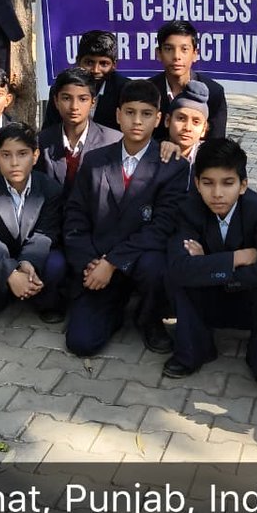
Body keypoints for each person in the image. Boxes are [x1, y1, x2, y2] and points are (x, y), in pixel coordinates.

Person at [63, 78, 189, 356]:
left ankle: (149, 317)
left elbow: (163, 226)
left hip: (138, 259)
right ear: (118, 115)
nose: (137, 121)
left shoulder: (173, 166)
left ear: (158, 119)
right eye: (130, 112)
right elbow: (75, 218)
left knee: (157, 264)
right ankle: (113, 308)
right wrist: (91, 262)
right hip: (98, 259)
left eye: (146, 114)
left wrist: (113, 262)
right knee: (81, 344)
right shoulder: (95, 160)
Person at [163, 137, 257, 388]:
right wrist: (237, 258)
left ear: (243, 185)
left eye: (228, 183)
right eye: (208, 183)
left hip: (247, 300)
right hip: (209, 299)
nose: (217, 193)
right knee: (177, 279)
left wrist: (210, 266)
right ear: (197, 183)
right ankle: (194, 350)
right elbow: (178, 268)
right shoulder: (189, 209)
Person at [0, 123, 67, 327]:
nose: (14, 163)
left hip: (35, 253)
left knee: (56, 263)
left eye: (22, 154)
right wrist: (11, 271)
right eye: (6, 155)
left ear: (35, 156)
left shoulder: (50, 189)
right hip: (3, 254)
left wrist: (27, 262)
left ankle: (44, 301)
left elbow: (45, 233)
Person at [35, 67, 121, 196]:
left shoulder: (113, 141)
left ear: (93, 102)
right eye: (66, 98)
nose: (74, 107)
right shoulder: (41, 141)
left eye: (82, 99)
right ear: (56, 101)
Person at [149, 20, 227, 140]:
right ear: (159, 53)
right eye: (169, 49)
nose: (176, 56)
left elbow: (216, 146)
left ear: (195, 54)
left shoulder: (214, 92)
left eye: (184, 49)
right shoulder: (147, 91)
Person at [42, 29, 129, 130]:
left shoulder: (125, 90)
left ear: (114, 65)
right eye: (89, 63)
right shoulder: (61, 88)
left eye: (104, 64)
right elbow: (50, 130)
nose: (96, 70)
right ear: (78, 61)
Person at [157, 81, 211, 180]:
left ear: (204, 129)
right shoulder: (153, 153)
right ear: (167, 120)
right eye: (181, 118)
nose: (187, 128)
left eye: (196, 122)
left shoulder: (210, 159)